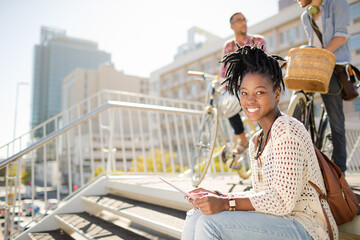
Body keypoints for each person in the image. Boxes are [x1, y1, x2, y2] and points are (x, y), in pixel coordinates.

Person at [181, 46, 337, 240]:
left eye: (260, 92)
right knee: (196, 215)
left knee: (210, 223)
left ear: (277, 94)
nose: (250, 101)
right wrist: (219, 196)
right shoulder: (256, 141)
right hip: (277, 223)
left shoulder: (286, 129)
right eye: (244, 93)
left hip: (308, 228)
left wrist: (225, 203)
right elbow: (260, 195)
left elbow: (281, 201)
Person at [296, 0, 351, 174]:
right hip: (315, 67)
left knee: (336, 121)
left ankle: (339, 172)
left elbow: (341, 36)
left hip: (334, 66)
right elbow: (312, 43)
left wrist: (320, 56)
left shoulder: (337, 4)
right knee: (297, 98)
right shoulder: (306, 15)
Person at [220, 12, 267, 155]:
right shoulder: (228, 46)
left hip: (256, 87)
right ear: (232, 26)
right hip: (237, 90)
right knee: (227, 104)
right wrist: (223, 89)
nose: (243, 22)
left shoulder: (258, 41)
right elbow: (224, 71)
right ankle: (243, 140)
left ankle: (267, 142)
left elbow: (264, 65)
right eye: (239, 20)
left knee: (263, 113)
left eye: (244, 19)